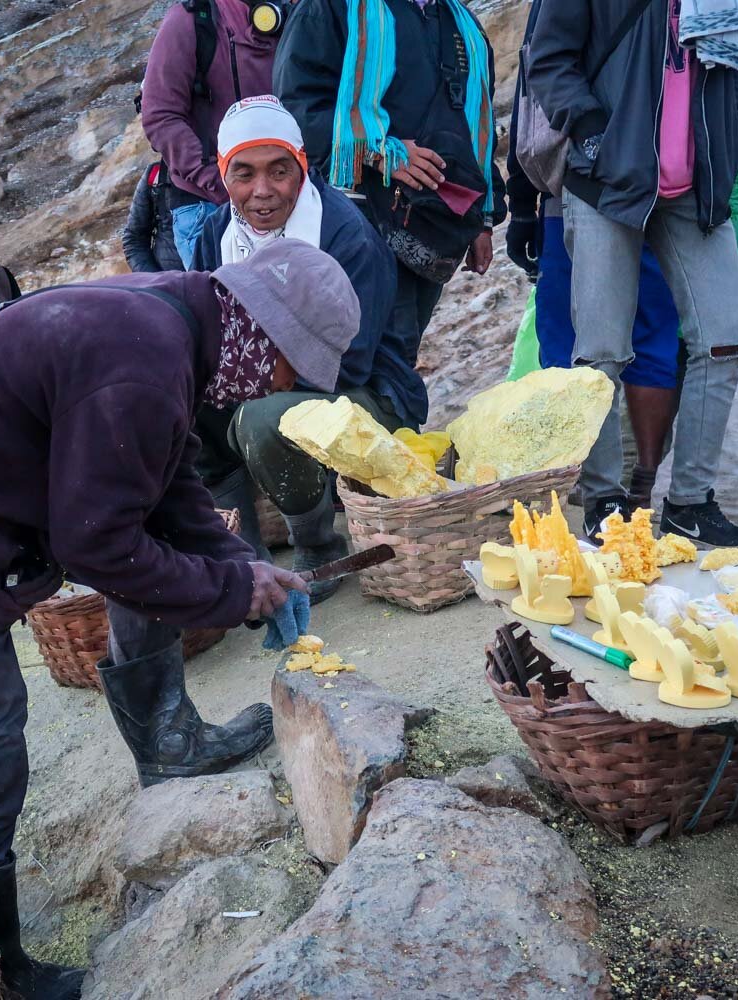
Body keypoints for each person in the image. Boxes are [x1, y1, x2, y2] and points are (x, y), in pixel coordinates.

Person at [0, 239, 359, 999]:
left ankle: (168, 745)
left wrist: (238, 562)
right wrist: (228, 595)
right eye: (286, 368)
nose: (276, 386)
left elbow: (162, 477)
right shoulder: (143, 358)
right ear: (259, 329)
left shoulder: (176, 322)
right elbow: (101, 544)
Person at [528, 0, 738, 546]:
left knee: (723, 343)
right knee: (601, 352)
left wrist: (730, 133)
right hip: (608, 182)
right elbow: (549, 61)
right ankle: (604, 499)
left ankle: (690, 504)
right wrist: (593, 136)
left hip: (697, 187)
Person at [188, 96, 425, 600]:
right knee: (184, 404)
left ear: (302, 167)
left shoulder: (344, 234)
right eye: (244, 174)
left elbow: (350, 360)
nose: (262, 191)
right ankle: (243, 554)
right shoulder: (217, 232)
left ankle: (318, 544)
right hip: (268, 381)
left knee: (265, 419)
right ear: (223, 175)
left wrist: (242, 375)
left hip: (366, 395)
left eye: (279, 171)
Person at [506, 0, 682, 511]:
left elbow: (535, 92)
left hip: (583, 185)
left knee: (575, 340)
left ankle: (598, 486)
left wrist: (524, 203)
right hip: (653, 185)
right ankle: (633, 480)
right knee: (645, 331)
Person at [272, 0, 507, 352]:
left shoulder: (463, 24)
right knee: (373, 357)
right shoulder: (329, 8)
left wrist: (483, 220)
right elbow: (294, 110)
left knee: (401, 352)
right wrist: (380, 153)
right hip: (358, 219)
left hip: (437, 227)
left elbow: (475, 132)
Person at [141, 0, 282, 264]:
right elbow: (160, 116)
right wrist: (221, 181)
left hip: (279, 199)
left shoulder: (296, 13)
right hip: (206, 206)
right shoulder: (190, 20)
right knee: (224, 303)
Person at [121, 160, 190, 272]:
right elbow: (134, 239)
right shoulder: (156, 175)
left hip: (220, 282)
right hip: (168, 283)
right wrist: (156, 281)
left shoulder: (223, 171)